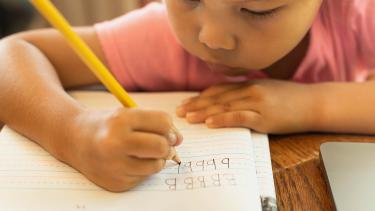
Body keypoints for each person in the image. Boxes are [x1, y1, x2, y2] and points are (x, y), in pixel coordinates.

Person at [0, 0, 374, 192]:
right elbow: (11, 54)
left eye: (256, 10)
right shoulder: (160, 37)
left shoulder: (357, 18)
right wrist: (73, 132)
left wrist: (311, 104)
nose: (212, 37)